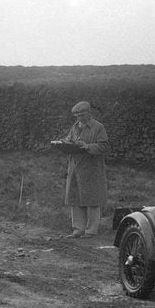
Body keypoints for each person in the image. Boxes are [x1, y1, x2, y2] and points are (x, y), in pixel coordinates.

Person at [55, 101, 109, 238]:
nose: (79, 118)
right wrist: (64, 143)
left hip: (92, 168)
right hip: (75, 167)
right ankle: (78, 229)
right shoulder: (75, 126)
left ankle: (91, 230)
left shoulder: (98, 127)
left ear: (89, 113)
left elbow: (104, 146)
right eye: (77, 116)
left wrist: (88, 146)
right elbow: (69, 139)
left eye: (82, 115)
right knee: (75, 198)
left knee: (92, 199)